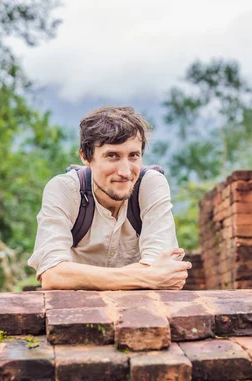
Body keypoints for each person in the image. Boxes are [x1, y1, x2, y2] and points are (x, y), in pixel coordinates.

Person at [28, 106, 191, 290]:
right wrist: (146, 276)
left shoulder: (151, 184)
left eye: (133, 156)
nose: (125, 172)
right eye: (112, 156)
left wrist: (76, 276)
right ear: (86, 157)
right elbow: (52, 275)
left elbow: (164, 273)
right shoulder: (64, 190)